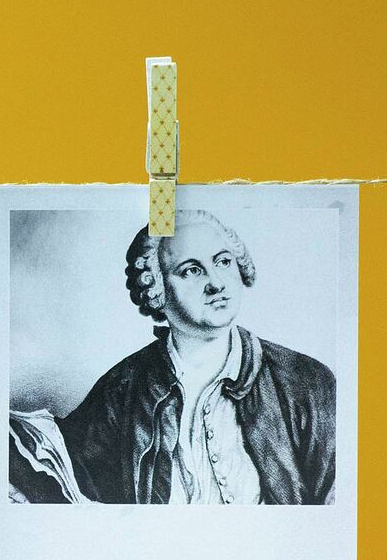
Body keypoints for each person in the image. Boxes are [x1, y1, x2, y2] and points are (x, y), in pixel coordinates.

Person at [54, 210, 336, 505]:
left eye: (223, 262)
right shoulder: (121, 390)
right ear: (156, 287)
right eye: (191, 270)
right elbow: (69, 479)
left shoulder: (307, 382)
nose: (216, 283)